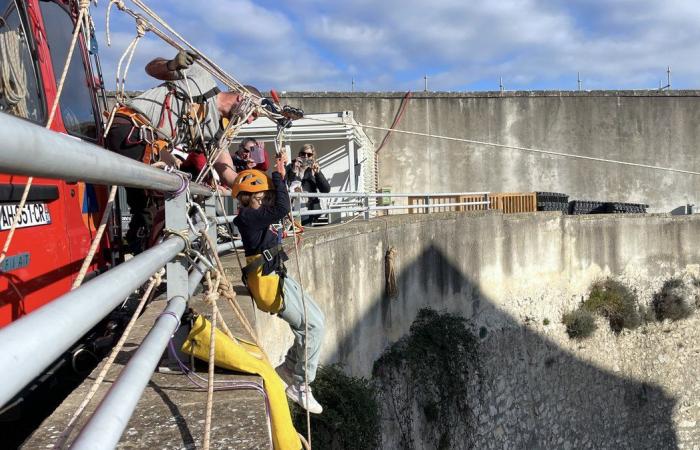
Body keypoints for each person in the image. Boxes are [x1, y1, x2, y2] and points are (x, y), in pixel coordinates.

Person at [105, 50, 261, 252]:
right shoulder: (201, 78)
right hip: (130, 129)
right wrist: (172, 64)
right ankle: (147, 262)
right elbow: (151, 68)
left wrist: (254, 189)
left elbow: (226, 171)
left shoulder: (215, 131)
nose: (249, 120)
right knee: (159, 200)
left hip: (150, 143)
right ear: (242, 98)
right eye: (252, 114)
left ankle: (144, 256)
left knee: (169, 193)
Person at [232, 161, 325, 415]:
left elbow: (280, 205)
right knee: (312, 327)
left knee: (319, 319)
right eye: (262, 197)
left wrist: (281, 176)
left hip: (276, 277)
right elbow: (283, 206)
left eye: (267, 197)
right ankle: (300, 385)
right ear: (248, 198)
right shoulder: (249, 218)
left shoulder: (255, 215)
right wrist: (278, 174)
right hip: (269, 285)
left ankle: (289, 367)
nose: (266, 202)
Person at [285, 144, 330, 226]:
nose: (305, 157)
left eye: (309, 155)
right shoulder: (291, 167)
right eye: (303, 154)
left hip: (307, 210)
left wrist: (318, 174)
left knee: (305, 234)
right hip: (291, 209)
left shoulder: (313, 169)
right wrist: (293, 171)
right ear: (299, 155)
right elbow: (285, 184)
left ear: (312, 157)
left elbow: (326, 190)